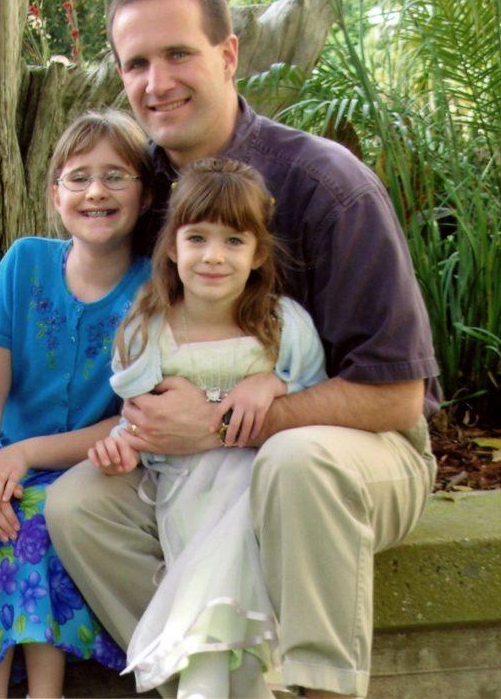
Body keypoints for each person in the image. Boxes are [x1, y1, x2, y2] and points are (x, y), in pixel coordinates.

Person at [45, 0, 440, 698]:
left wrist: (223, 419)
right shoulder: (144, 196)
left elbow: (397, 395)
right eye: (136, 62)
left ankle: (319, 687)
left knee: (296, 461)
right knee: (79, 505)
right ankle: (221, 684)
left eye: (178, 54)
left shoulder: (326, 186)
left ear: (228, 56)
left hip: (352, 451)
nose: (156, 81)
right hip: (190, 468)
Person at [89, 158, 326, 698]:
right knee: (216, 523)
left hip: (255, 485)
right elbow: (138, 420)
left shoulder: (284, 326)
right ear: (172, 246)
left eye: (234, 242)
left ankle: (199, 686)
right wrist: (120, 450)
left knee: (237, 500)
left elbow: (318, 400)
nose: (214, 256)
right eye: (197, 238)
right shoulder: (148, 329)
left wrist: (274, 387)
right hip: (183, 490)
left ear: (258, 253)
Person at [0, 110, 149, 698]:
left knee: (36, 524)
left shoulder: (154, 289)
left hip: (90, 468)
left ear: (145, 191)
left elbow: (131, 419)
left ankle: (45, 691)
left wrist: (28, 455)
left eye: (116, 176)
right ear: (55, 192)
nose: (95, 192)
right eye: (78, 176)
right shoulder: (26, 262)